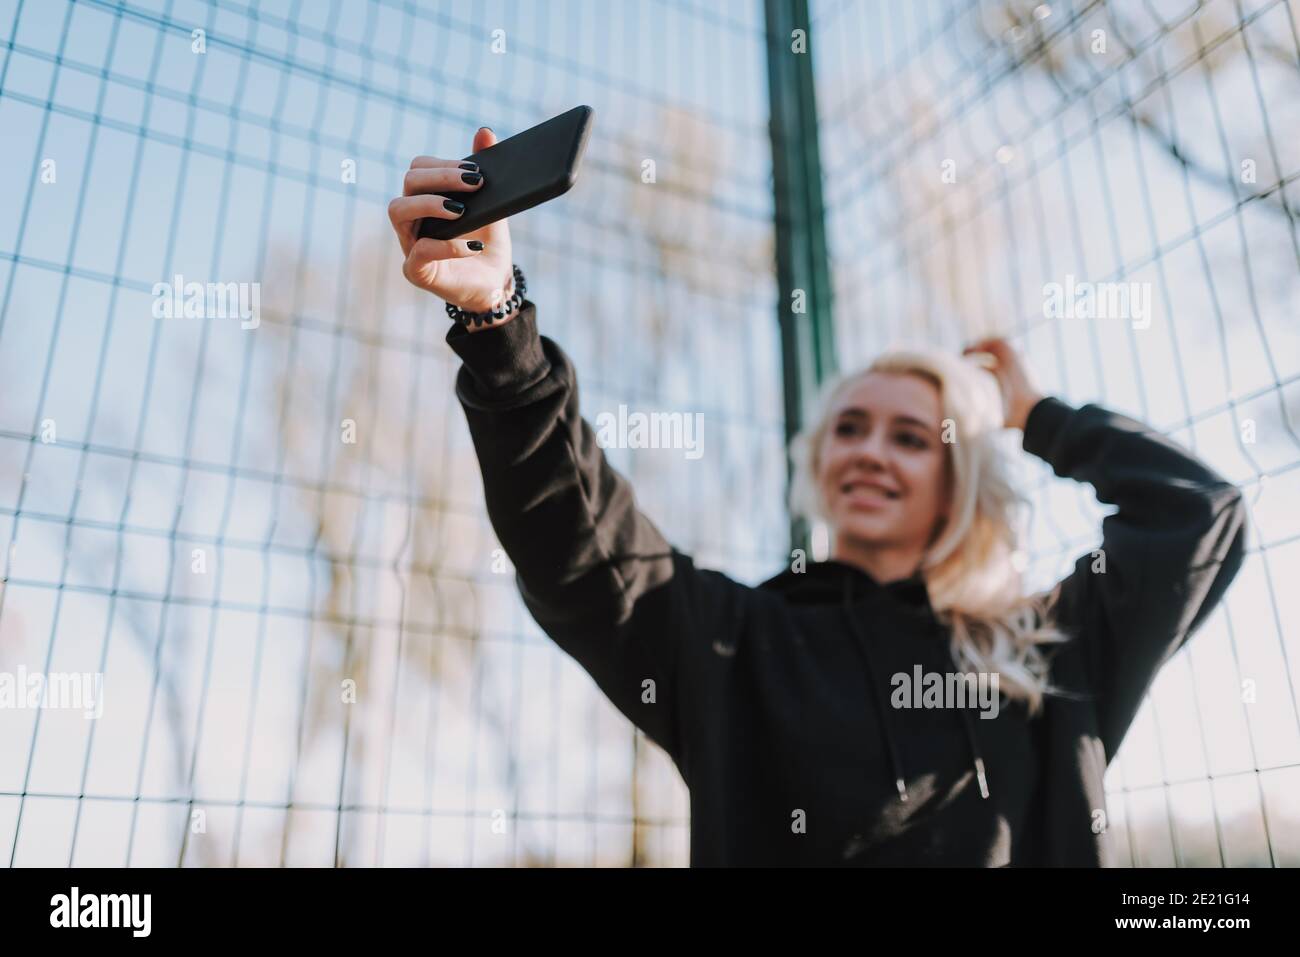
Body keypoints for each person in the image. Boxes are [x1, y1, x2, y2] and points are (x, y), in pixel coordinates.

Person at [388, 128, 1248, 866]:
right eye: (851, 427)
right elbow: (578, 545)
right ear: (821, 462)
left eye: (912, 436)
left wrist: (1033, 414)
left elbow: (1196, 516)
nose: (872, 450)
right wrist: (499, 324)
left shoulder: (1042, 653)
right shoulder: (735, 645)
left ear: (960, 482)